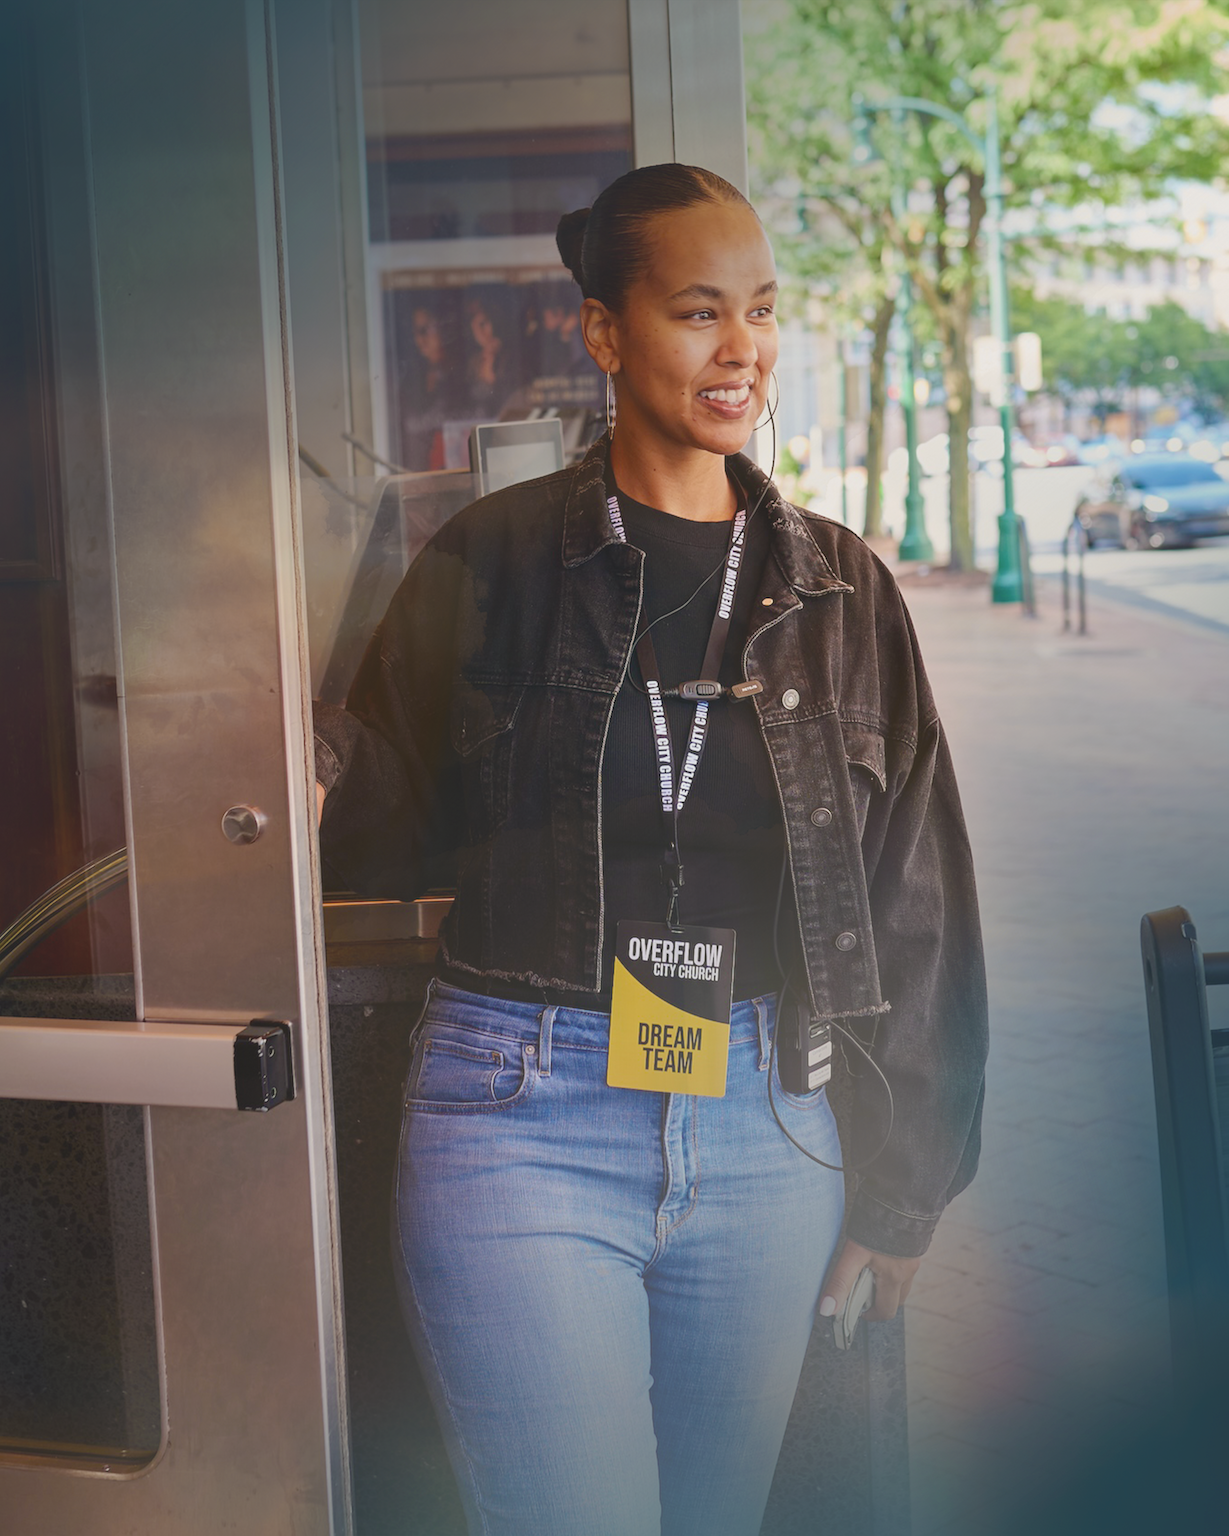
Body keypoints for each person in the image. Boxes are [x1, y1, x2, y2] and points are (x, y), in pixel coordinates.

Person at [314, 162, 988, 1536]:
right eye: (697, 312)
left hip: (769, 1123)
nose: (742, 348)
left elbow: (918, 893)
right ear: (605, 333)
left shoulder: (841, 590)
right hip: (524, 1114)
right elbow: (366, 826)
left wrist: (908, 1186)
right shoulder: (490, 560)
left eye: (761, 310)